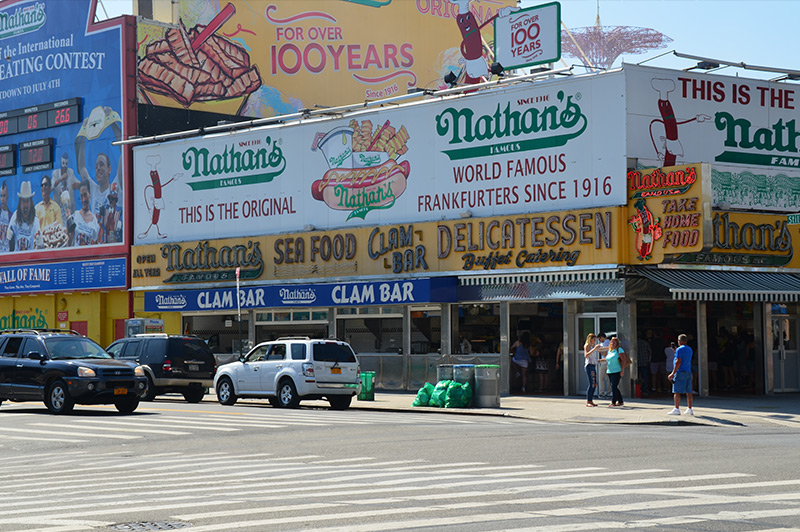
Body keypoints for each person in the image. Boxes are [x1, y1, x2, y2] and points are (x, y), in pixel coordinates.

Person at [75, 106, 123, 219]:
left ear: (109, 169)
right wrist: (83, 132)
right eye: (96, 166)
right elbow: (82, 167)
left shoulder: (117, 184)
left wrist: (111, 121)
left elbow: (124, 147)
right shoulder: (93, 190)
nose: (98, 168)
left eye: (101, 164)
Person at [7, 181, 41, 251]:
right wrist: (9, 234)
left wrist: (40, 241)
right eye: (23, 201)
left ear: (31, 203)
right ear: (20, 203)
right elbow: (9, 235)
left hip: (30, 258)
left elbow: (39, 242)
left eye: (27, 201)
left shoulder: (35, 220)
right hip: (17, 258)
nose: (25, 204)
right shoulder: (15, 216)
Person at [68, 179, 100, 246]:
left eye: (85, 195)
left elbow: (96, 244)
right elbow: (69, 242)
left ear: (90, 194)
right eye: (81, 196)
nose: (83, 199)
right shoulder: (75, 216)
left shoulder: (94, 220)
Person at [668, 333, 694, 416]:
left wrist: (673, 373)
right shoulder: (689, 349)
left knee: (676, 391)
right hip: (688, 371)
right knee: (689, 392)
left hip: (680, 372)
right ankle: (689, 408)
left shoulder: (679, 350)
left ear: (679, 341)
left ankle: (677, 408)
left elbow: (678, 361)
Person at [605, 337, 626, 407]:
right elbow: (608, 359)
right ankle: (620, 401)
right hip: (609, 371)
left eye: (614, 342)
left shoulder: (619, 349)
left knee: (614, 386)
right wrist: (599, 360)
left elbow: (623, 360)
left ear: (617, 343)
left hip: (617, 371)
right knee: (614, 386)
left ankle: (613, 402)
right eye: (611, 342)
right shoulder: (610, 350)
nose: (612, 343)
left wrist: (622, 370)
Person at [584, 333, 601, 407]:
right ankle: (588, 401)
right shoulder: (587, 346)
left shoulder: (592, 346)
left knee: (594, 384)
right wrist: (594, 349)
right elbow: (586, 355)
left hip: (593, 365)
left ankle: (590, 400)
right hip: (589, 366)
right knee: (592, 383)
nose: (594, 341)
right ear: (590, 339)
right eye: (594, 340)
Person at [596, 332, 611, 398]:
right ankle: (608, 393)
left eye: (599, 339)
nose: (600, 340)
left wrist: (599, 350)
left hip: (604, 363)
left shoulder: (605, 343)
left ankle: (601, 393)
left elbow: (604, 354)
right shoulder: (609, 342)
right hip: (609, 363)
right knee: (608, 379)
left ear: (602, 337)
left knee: (601, 378)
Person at [0, 181, 11, 253]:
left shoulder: (11, 216)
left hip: (7, 253)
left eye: (4, 196)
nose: (2, 199)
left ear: (7, 196)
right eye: (1, 196)